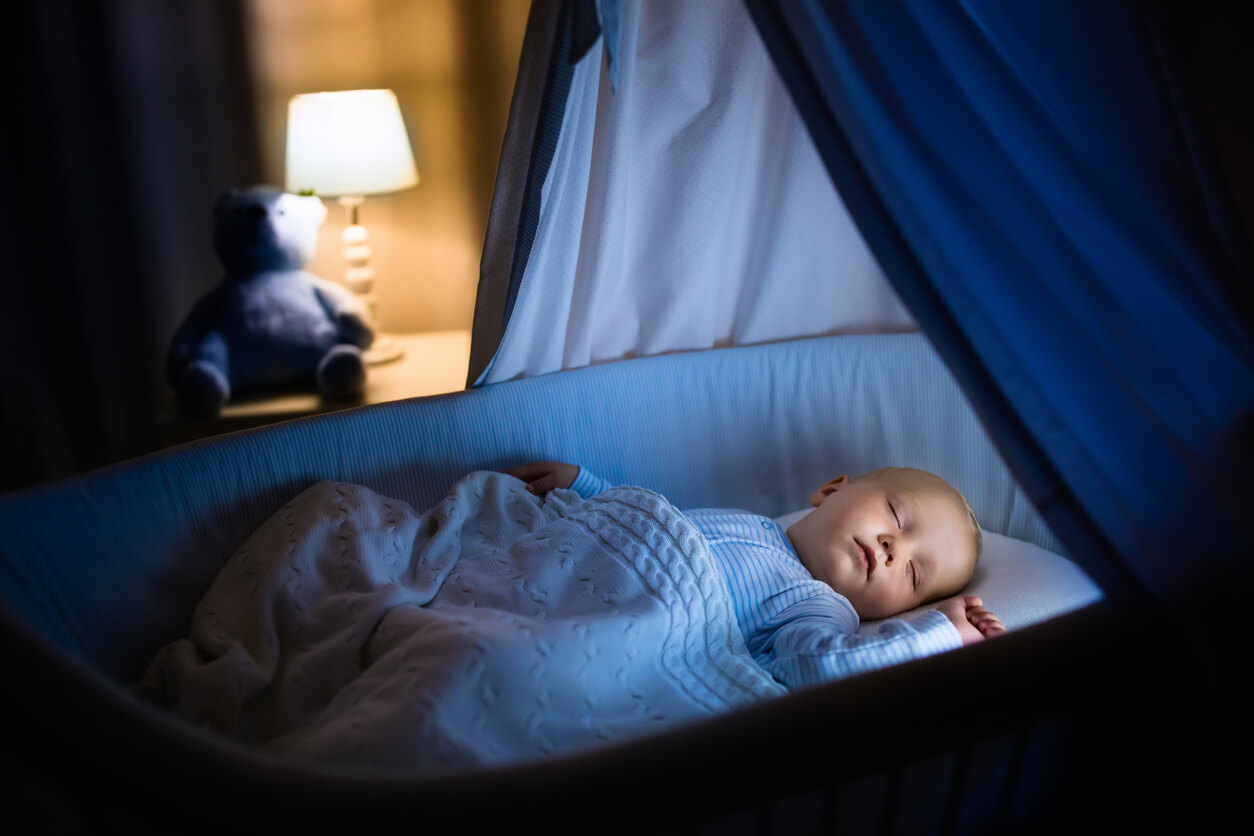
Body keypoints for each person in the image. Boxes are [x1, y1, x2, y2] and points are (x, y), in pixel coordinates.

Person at [505, 461, 1007, 690]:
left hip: (610, 632)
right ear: (831, 490)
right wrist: (588, 489)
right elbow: (664, 525)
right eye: (896, 517)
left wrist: (939, 631)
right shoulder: (753, 522)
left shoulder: (820, 608)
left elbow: (824, 667)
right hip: (577, 565)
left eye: (915, 574)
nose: (893, 549)